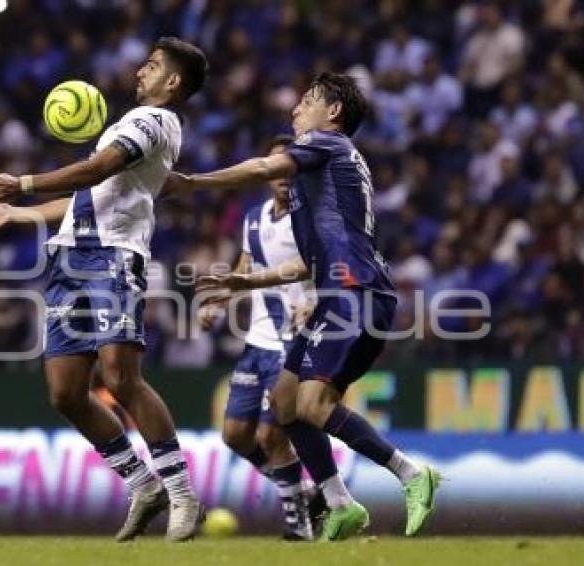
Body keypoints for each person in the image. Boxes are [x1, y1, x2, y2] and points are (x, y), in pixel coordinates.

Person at [174, 72, 440, 541]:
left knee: (314, 405)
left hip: (354, 293)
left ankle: (411, 473)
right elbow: (307, 262)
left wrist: (194, 181)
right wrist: (246, 279)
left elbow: (260, 169)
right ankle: (340, 503)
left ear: (332, 112)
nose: (296, 110)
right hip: (339, 293)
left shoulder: (327, 144)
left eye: (306, 101)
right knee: (284, 403)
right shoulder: (325, 172)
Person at [0, 37, 209, 542]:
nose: (140, 71)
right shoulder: (124, 123)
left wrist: (23, 183)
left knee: (122, 377)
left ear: (172, 82)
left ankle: (184, 494)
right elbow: (88, 195)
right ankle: (142, 485)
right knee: (65, 391)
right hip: (70, 261)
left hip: (113, 258)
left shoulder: (157, 121)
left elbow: (96, 169)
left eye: (152, 65)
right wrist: (20, 214)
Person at [199, 134, 326, 540]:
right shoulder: (253, 218)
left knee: (272, 435)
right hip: (257, 341)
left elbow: (327, 267)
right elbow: (247, 264)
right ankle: (304, 491)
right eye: (275, 169)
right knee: (235, 435)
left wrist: (317, 301)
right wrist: (220, 299)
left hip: (292, 342)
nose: (282, 176)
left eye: (289, 167)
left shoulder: (310, 219)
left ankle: (299, 528)